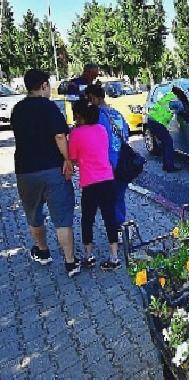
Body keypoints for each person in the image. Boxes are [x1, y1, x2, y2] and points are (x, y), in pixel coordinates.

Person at [10, 69, 80, 277]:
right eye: (48, 85)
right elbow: (60, 136)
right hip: (53, 169)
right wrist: (68, 160)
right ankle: (70, 262)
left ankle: (43, 251)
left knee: (34, 213)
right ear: (43, 86)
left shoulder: (17, 109)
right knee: (62, 216)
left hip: (26, 170)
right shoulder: (49, 108)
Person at [68, 99, 121, 271]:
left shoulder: (76, 134)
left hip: (90, 182)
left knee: (87, 219)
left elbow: (73, 158)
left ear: (79, 115)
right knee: (109, 217)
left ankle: (88, 255)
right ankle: (114, 257)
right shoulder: (102, 129)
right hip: (107, 179)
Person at [84, 84, 130, 226]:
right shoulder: (116, 113)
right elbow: (126, 134)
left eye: (89, 99)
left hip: (107, 164)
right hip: (122, 162)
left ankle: (118, 229)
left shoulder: (97, 116)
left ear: (94, 98)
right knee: (119, 197)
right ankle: (122, 227)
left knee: (108, 199)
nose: (89, 103)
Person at [147, 87, 183, 172]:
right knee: (168, 142)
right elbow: (182, 109)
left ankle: (166, 165)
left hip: (152, 120)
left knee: (165, 142)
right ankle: (169, 167)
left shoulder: (168, 95)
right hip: (157, 122)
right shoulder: (175, 100)